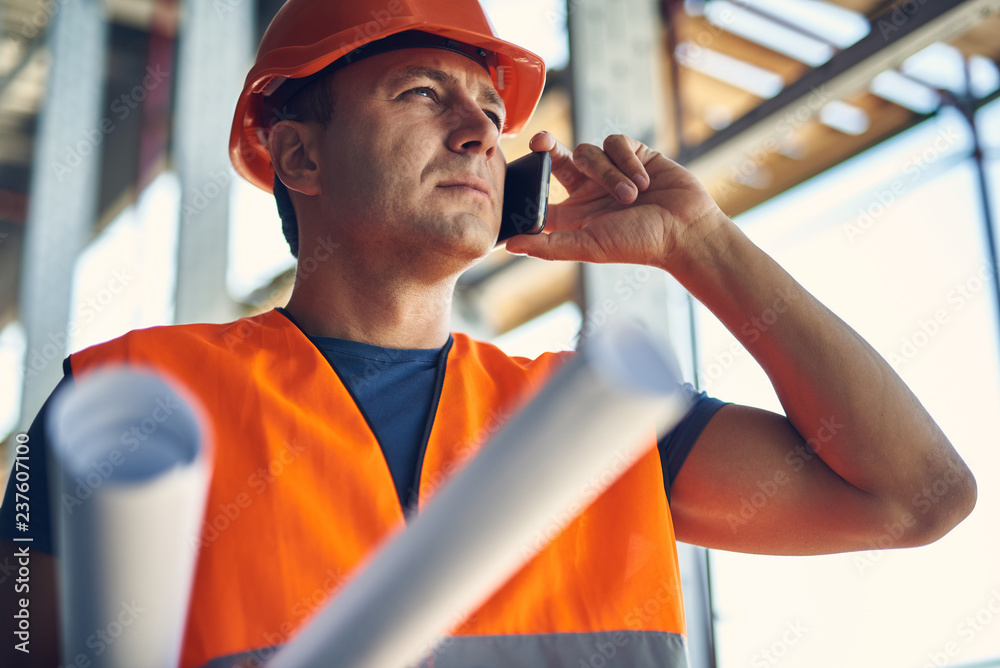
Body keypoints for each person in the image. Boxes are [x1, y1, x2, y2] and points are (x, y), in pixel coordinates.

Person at [0, 1, 978, 666]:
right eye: (425, 95)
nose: (478, 133)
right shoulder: (129, 397)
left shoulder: (593, 423)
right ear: (299, 152)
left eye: (489, 111)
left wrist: (702, 245)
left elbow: (915, 494)